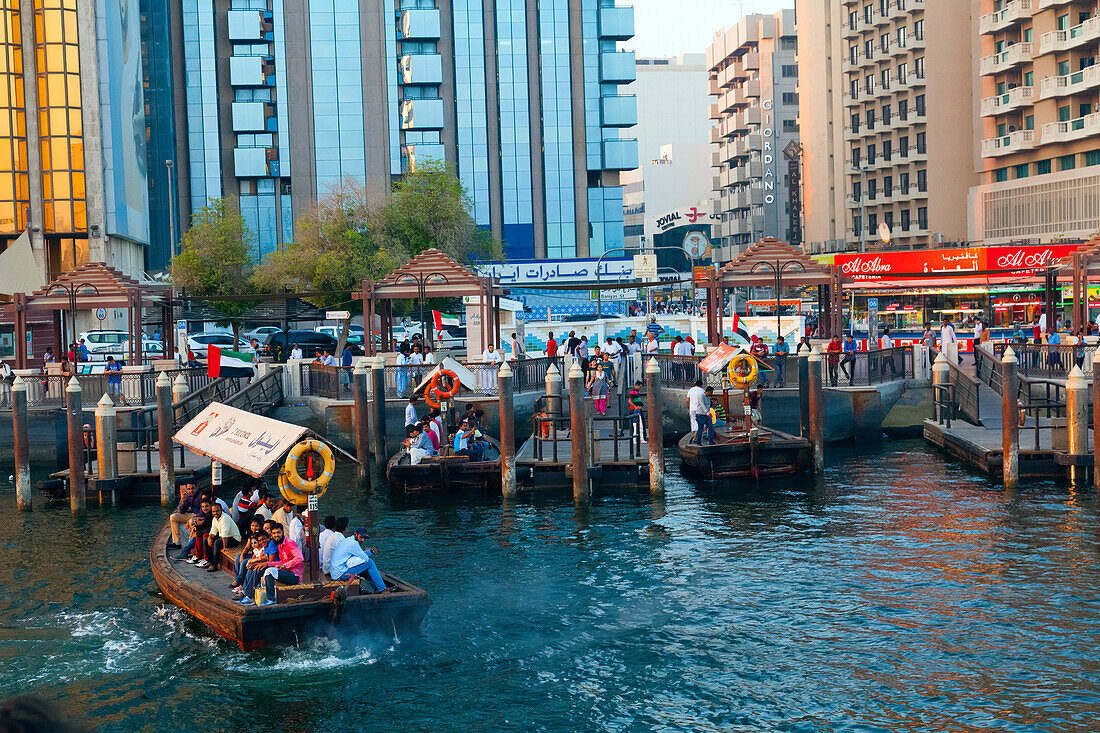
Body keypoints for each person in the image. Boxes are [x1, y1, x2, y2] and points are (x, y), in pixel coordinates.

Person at [242, 524, 304, 606]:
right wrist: (266, 563)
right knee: (259, 568)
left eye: (278, 532)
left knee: (269, 571)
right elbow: (281, 562)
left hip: (294, 575)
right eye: (274, 533)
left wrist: (285, 565)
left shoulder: (289, 543)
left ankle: (271, 599)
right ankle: (249, 596)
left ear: (283, 533)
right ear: (271, 535)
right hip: (284, 572)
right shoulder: (280, 545)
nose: (276, 535)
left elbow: (299, 558)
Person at [329, 527, 389, 592]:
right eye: (361, 537)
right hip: (341, 575)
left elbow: (359, 554)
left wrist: (370, 552)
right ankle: (382, 589)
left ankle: (376, 588)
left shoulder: (348, 540)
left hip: (335, 574)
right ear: (355, 534)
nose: (363, 540)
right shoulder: (354, 544)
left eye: (364, 538)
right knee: (370, 563)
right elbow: (366, 558)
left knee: (366, 565)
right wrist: (370, 552)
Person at [201, 500, 241, 572]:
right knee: (205, 540)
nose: (215, 513)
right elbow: (213, 531)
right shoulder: (215, 518)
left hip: (234, 539)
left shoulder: (224, 518)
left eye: (217, 511)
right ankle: (210, 561)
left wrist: (225, 547)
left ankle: (214, 565)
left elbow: (224, 534)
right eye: (213, 511)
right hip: (224, 537)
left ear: (221, 510)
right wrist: (209, 538)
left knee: (217, 542)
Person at [175, 497, 212, 563]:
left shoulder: (212, 515)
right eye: (203, 507)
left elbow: (210, 528)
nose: (205, 508)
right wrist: (195, 527)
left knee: (199, 534)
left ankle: (188, 553)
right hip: (210, 531)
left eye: (207, 506)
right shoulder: (208, 515)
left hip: (215, 534)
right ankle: (194, 554)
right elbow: (205, 525)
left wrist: (197, 533)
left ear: (211, 506)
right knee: (196, 530)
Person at [169, 482, 203, 548]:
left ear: (196, 488)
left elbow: (203, 511)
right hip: (192, 514)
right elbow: (181, 512)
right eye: (189, 489)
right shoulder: (187, 496)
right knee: (173, 517)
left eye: (193, 488)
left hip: (200, 516)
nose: (191, 491)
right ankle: (177, 542)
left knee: (191, 521)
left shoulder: (201, 496)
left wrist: (193, 518)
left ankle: (189, 547)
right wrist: (183, 501)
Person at [687, 379, 711, 445]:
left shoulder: (690, 390)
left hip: (692, 408)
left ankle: (695, 438)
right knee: (699, 425)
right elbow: (704, 402)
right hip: (699, 409)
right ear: (701, 385)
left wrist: (688, 408)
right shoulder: (702, 391)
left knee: (694, 424)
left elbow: (687, 400)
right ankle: (695, 438)